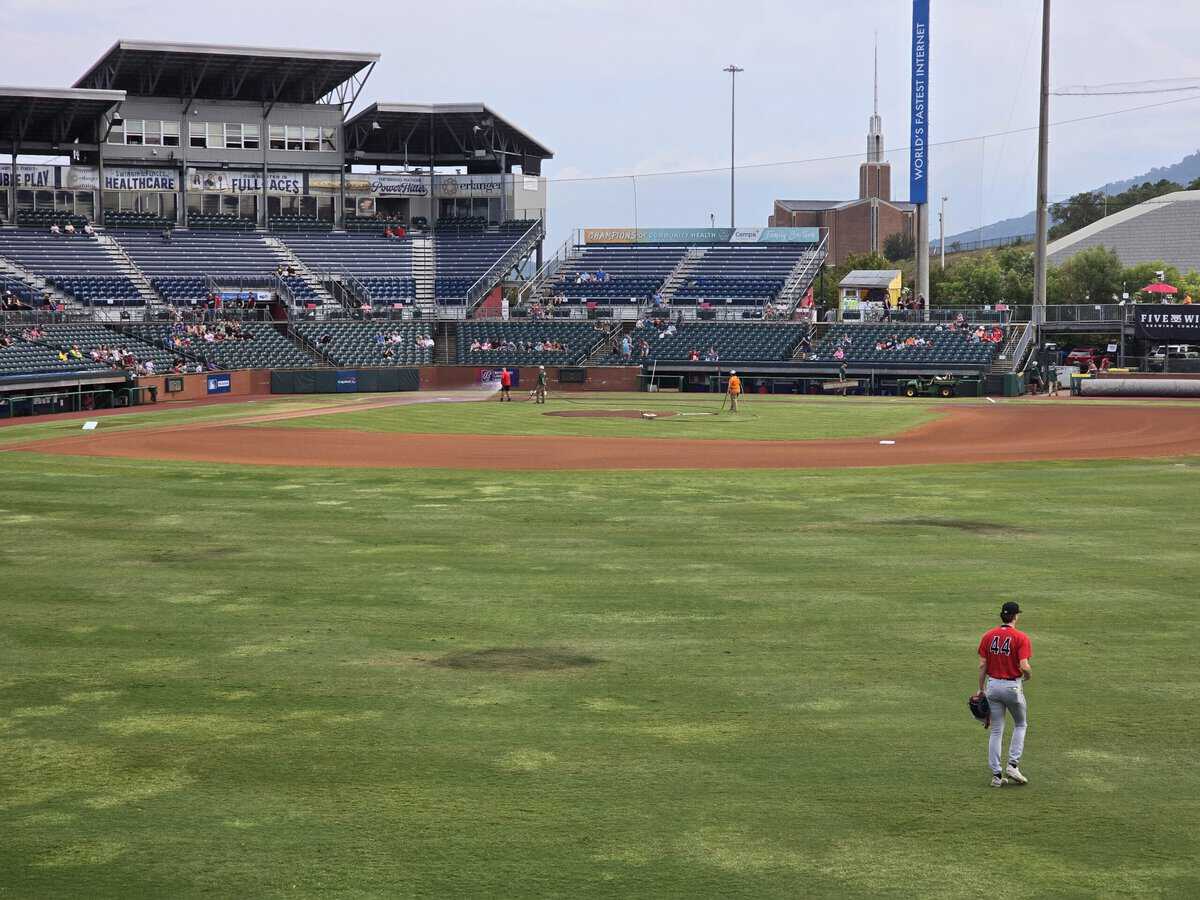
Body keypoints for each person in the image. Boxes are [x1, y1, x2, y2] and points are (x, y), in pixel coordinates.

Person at [976, 601, 1032, 788]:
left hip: (992, 686)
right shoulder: (1021, 637)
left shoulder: (988, 636)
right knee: (1021, 724)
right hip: (1011, 687)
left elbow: (983, 665)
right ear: (1016, 616)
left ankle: (996, 776)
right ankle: (1013, 765)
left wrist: (980, 688)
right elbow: (1024, 666)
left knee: (997, 730)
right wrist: (1028, 675)